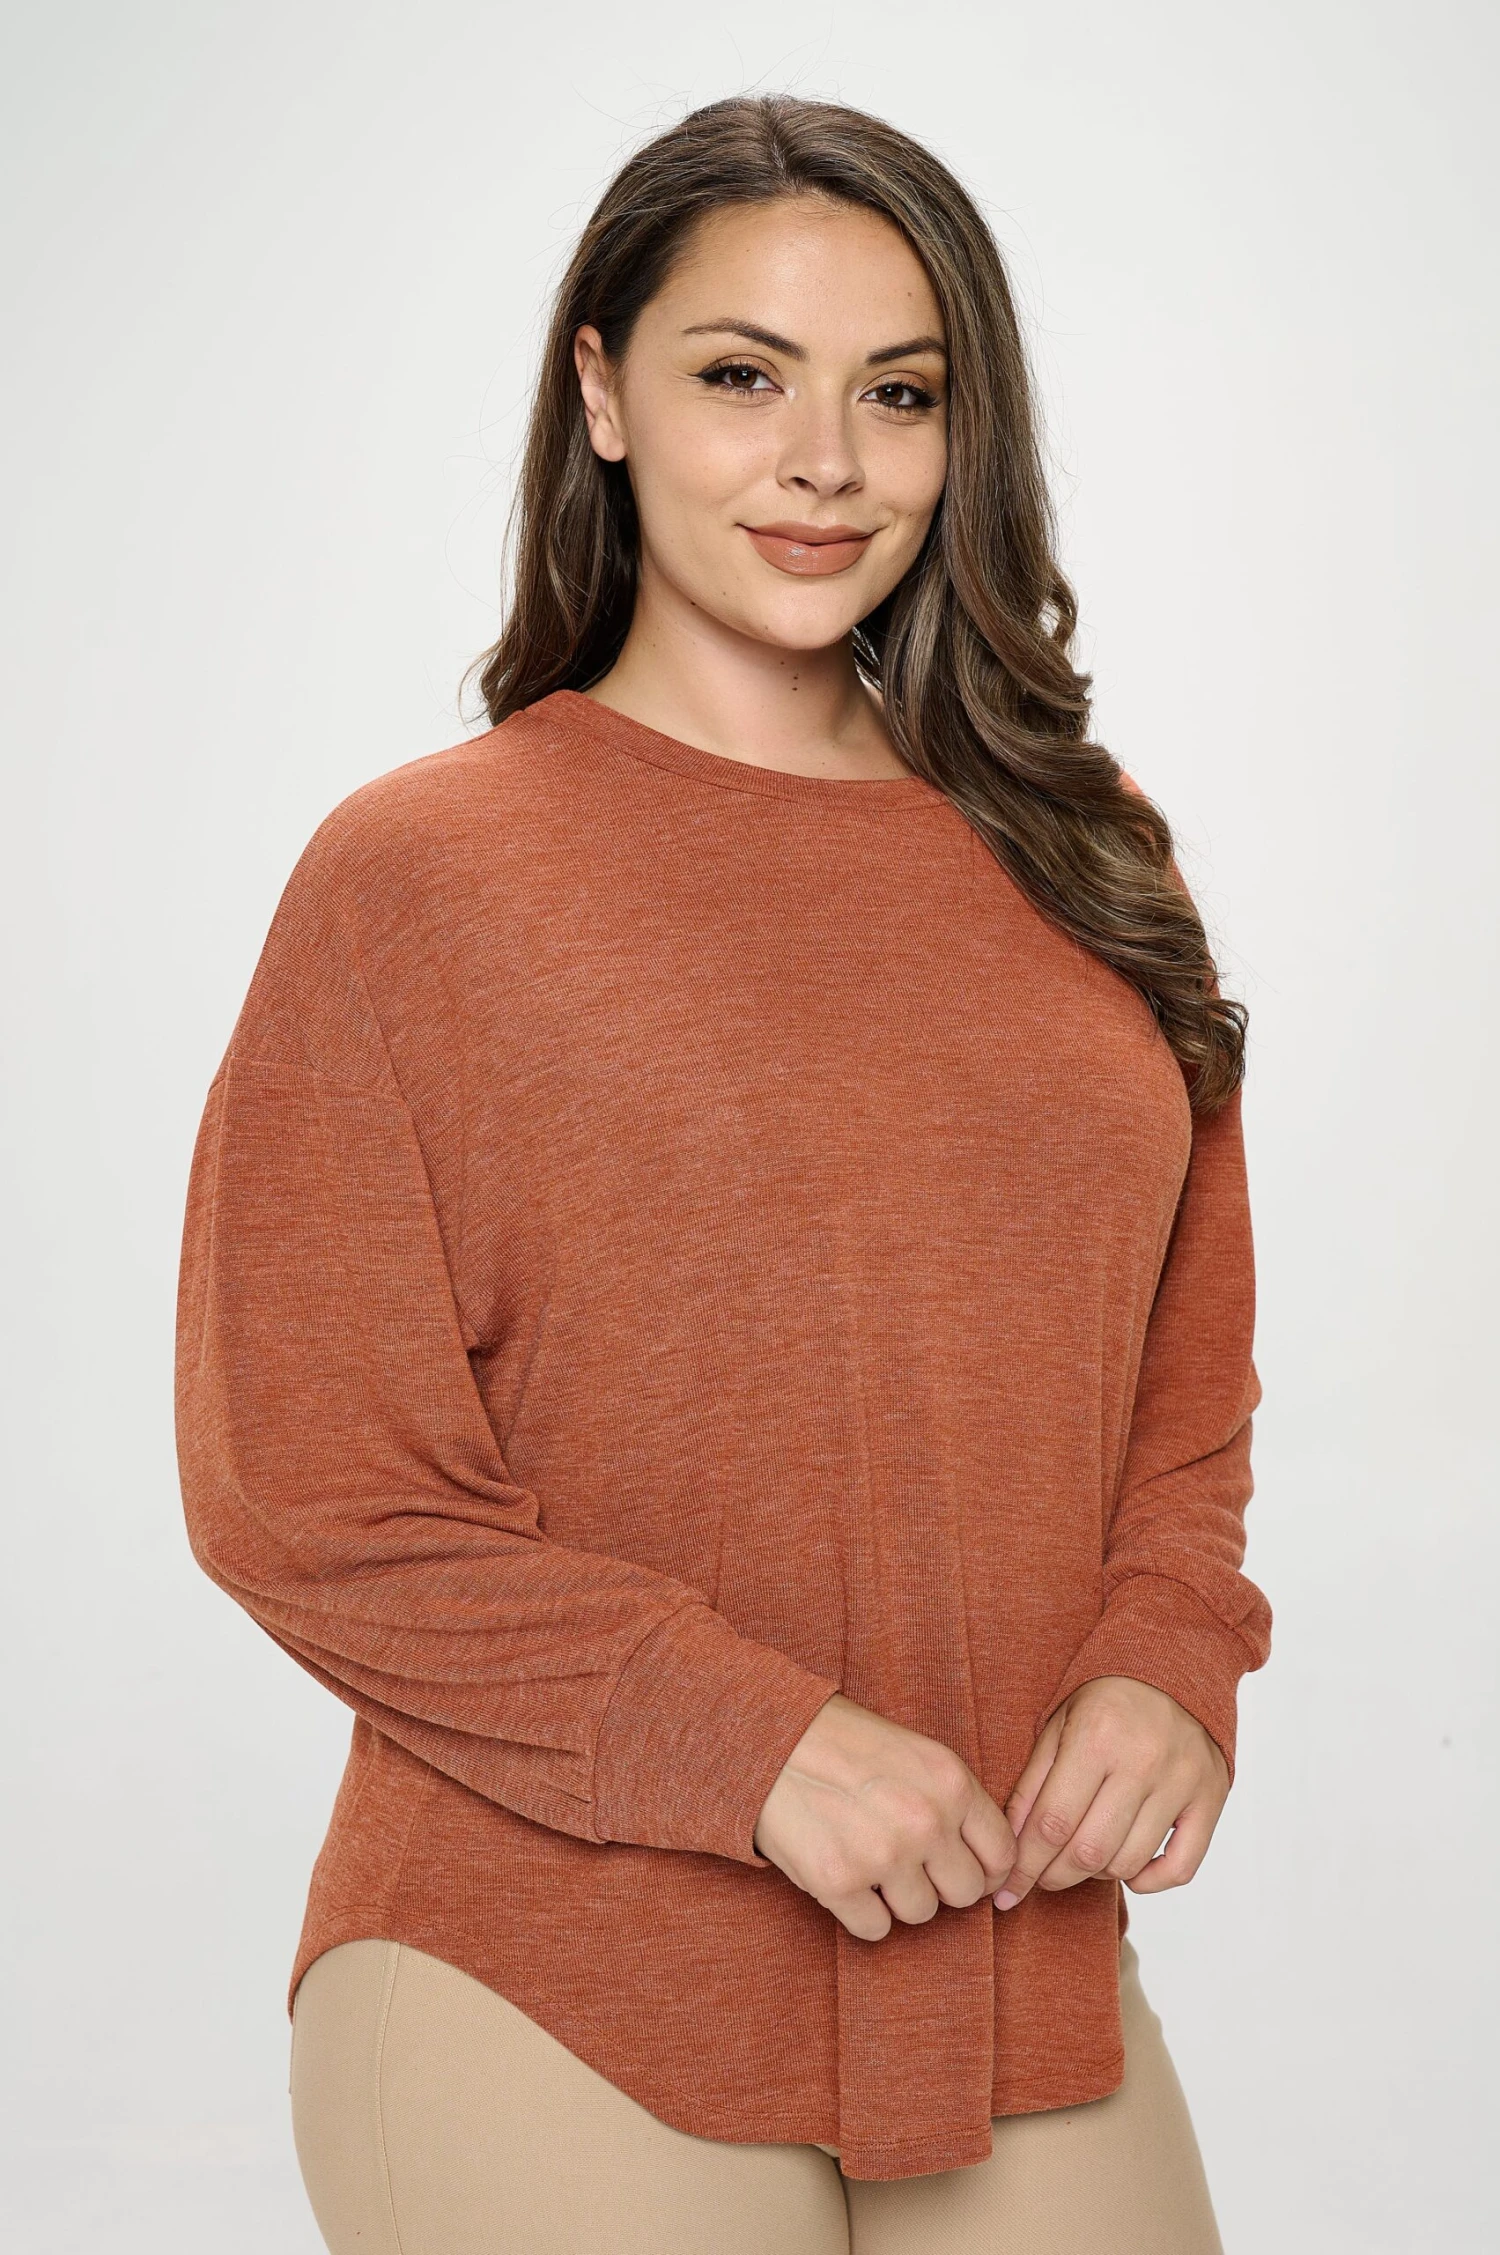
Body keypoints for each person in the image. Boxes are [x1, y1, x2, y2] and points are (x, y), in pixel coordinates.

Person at [174, 92, 1271, 2255]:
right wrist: (744, 1740)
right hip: (552, 1959)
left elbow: (1182, 1366)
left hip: (1008, 1942)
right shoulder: (422, 880)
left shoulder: (1085, 850)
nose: (827, 462)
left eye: (899, 392)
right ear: (601, 393)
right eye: (744, 376)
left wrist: (1170, 1651)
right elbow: (307, 1487)